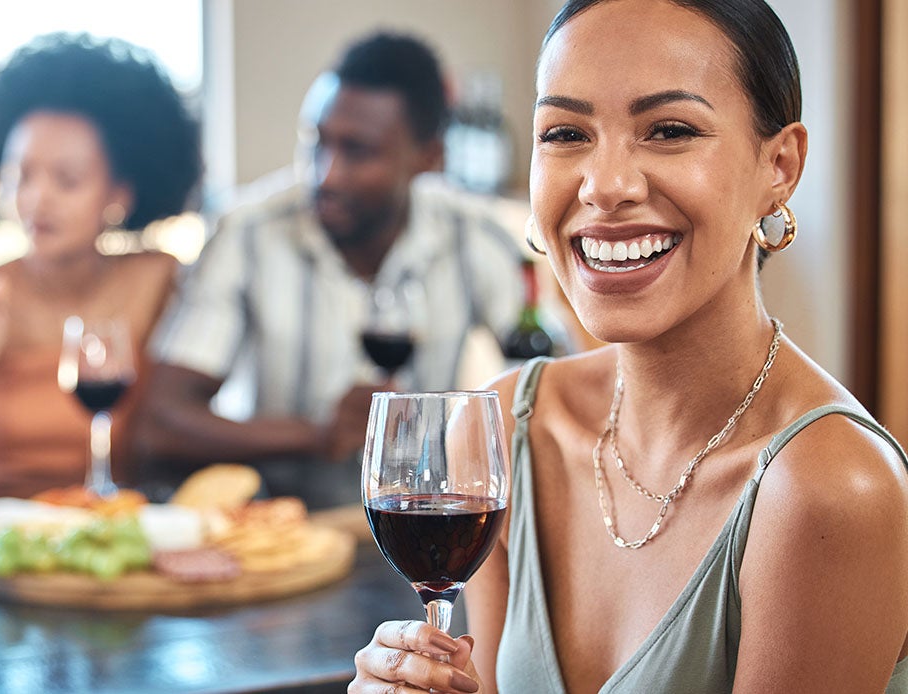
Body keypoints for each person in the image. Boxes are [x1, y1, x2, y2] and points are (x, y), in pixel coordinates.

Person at [351, 0, 908, 692]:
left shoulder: (829, 489)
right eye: (565, 133)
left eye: (669, 130)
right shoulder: (511, 430)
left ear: (780, 165)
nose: (605, 186)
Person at [137, 32, 524, 505]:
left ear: (429, 157)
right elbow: (161, 423)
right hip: (285, 526)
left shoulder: (477, 237)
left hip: (427, 524)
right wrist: (317, 435)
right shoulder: (246, 234)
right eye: (317, 142)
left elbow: (547, 387)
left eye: (358, 151)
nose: (326, 174)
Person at [0, 33, 202, 498]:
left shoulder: (160, 281)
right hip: (4, 525)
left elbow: (178, 432)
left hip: (122, 522)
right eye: (22, 176)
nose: (38, 199)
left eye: (67, 180)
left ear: (119, 194)